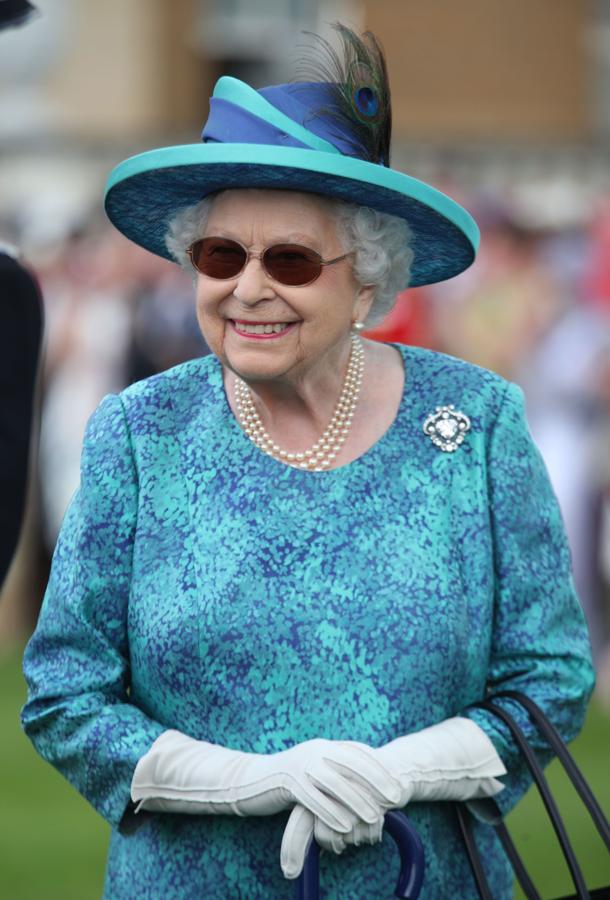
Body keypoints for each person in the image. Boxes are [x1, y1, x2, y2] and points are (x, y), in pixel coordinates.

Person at [21, 25, 594, 899]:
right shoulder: (139, 432)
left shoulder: (477, 422)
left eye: (289, 259)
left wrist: (405, 771)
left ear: (367, 279)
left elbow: (549, 679)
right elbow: (64, 693)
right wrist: (252, 781)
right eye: (221, 255)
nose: (249, 287)